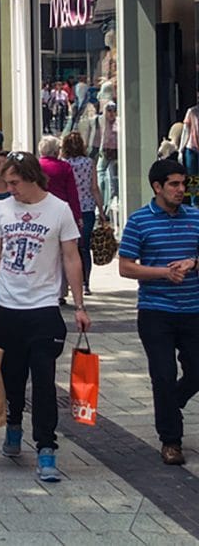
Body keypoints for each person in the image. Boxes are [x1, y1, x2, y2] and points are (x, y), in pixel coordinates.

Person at [0, 151, 89, 483]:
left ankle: (46, 447)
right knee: (12, 375)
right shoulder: (3, 210)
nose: (10, 189)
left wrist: (79, 305)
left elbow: (71, 258)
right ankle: (12, 422)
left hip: (44, 308)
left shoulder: (59, 210)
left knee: (43, 379)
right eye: (6, 182)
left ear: (32, 177)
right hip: (7, 308)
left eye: (14, 182)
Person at [118, 158, 199, 466]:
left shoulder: (195, 217)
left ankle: (171, 403)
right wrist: (164, 273)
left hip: (193, 310)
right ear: (157, 187)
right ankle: (171, 441)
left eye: (183, 183)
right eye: (174, 184)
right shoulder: (140, 221)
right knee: (163, 375)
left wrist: (193, 263)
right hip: (156, 311)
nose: (181, 190)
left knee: (196, 372)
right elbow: (126, 267)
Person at [61, 132, 105, 296]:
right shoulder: (89, 163)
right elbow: (94, 188)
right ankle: (86, 282)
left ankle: (72, 281)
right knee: (84, 247)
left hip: (69, 208)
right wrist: (101, 210)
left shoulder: (64, 164)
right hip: (87, 208)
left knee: (69, 247)